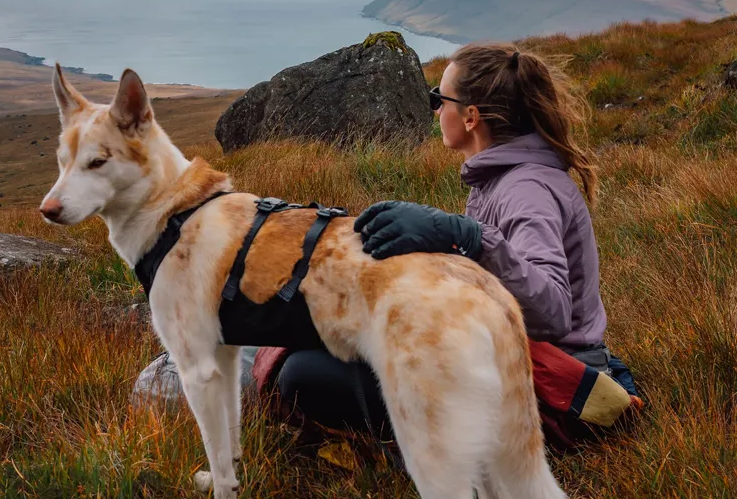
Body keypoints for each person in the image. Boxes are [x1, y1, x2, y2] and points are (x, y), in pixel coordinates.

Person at [264, 44, 639, 449]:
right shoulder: (498, 180)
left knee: (304, 375)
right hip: (510, 359)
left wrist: (467, 236)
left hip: (548, 384)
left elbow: (553, 311)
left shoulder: (526, 189)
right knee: (324, 340)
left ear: (470, 116)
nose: (436, 110)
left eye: (438, 100)